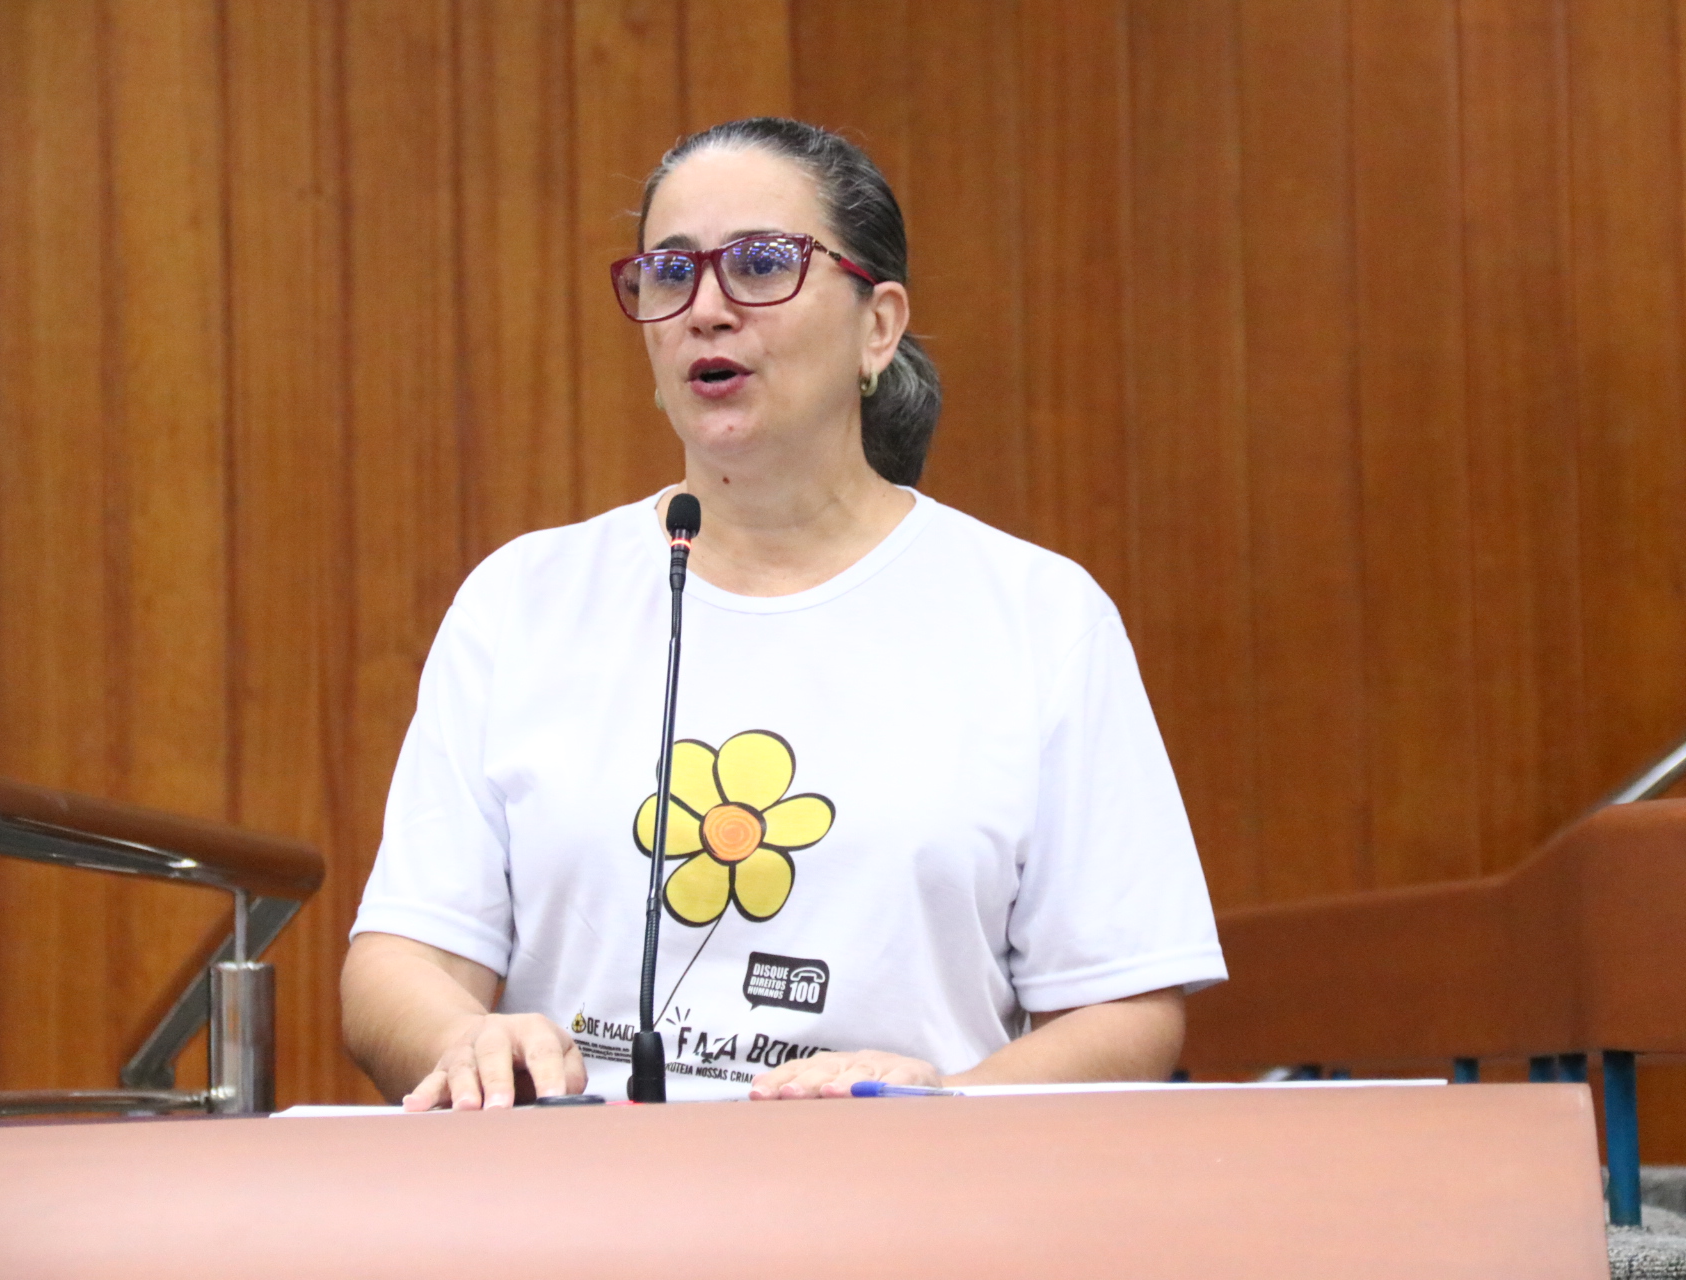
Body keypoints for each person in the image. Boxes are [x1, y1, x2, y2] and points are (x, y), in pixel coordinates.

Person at [341, 117, 1224, 1108]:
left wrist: (944, 1099)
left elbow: (1125, 1009)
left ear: (878, 326)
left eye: (761, 265)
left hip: (909, 1188)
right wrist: (460, 1040)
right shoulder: (524, 599)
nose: (706, 310)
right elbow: (400, 960)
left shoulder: (1038, 615)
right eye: (669, 274)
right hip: (580, 1185)